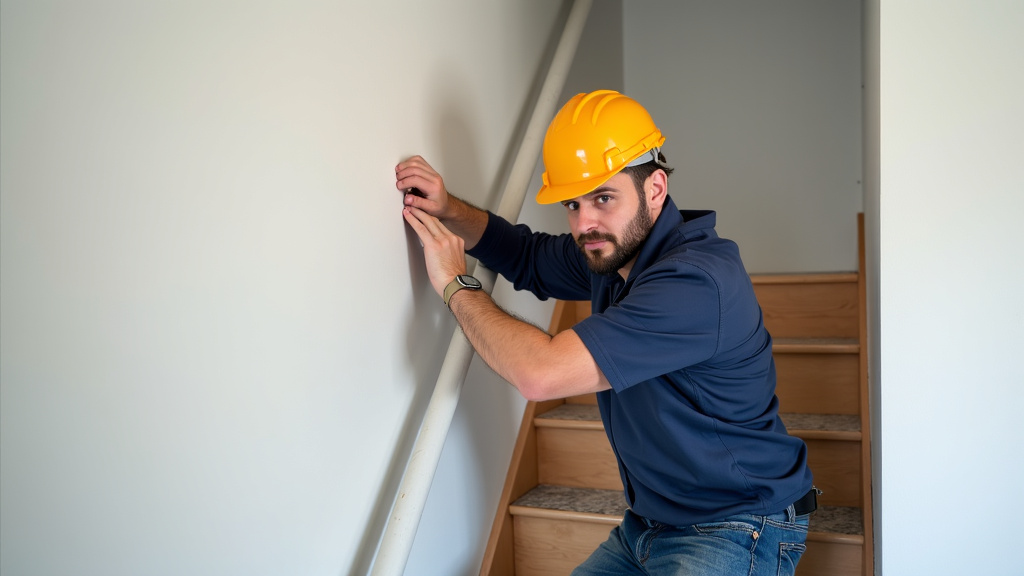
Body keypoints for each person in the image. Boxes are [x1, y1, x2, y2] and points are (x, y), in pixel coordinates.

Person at [396, 89, 815, 576]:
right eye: (573, 203)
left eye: (603, 197)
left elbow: (541, 375)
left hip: (740, 522)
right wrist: (449, 210)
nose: (585, 222)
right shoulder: (614, 253)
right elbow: (527, 255)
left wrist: (455, 282)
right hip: (648, 523)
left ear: (655, 189)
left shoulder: (696, 283)